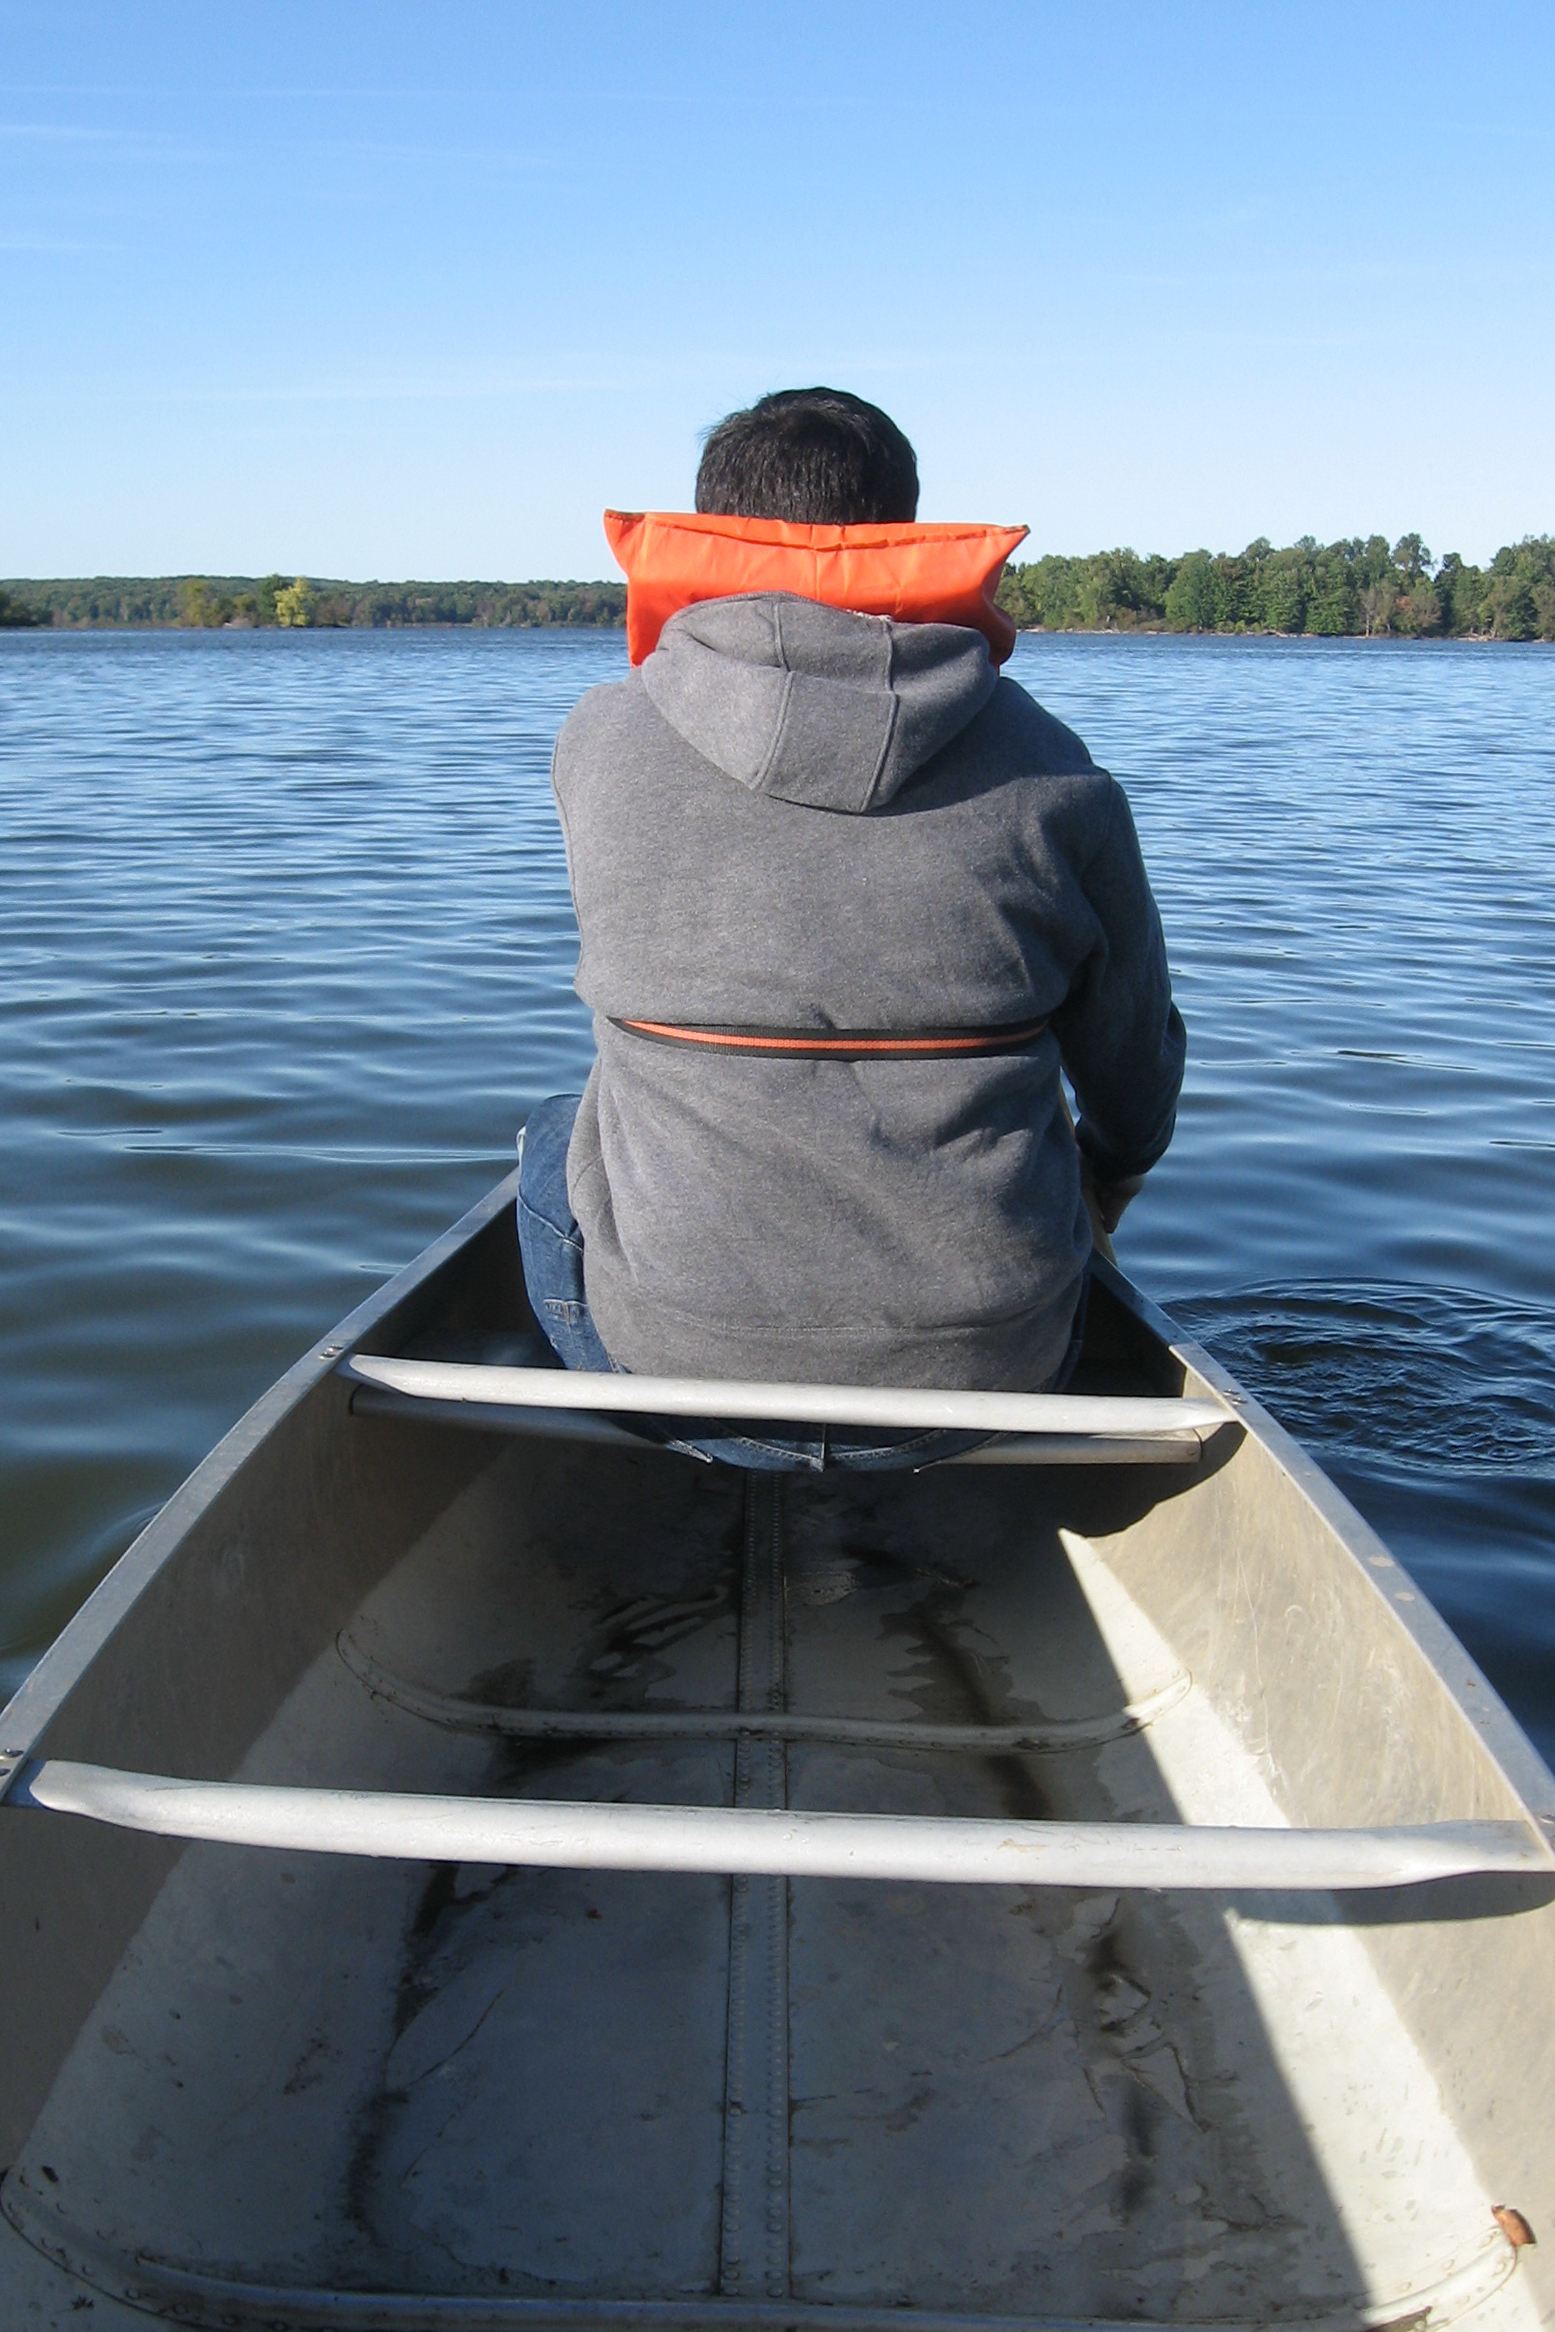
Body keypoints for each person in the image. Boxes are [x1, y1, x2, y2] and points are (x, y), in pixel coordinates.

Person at [518, 387, 1185, 1469]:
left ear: (713, 530)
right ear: (901, 533)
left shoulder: (598, 738)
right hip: (986, 1379)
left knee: (561, 1126)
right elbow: (1134, 1068)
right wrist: (1105, 1181)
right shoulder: (1055, 765)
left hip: (673, 1367)